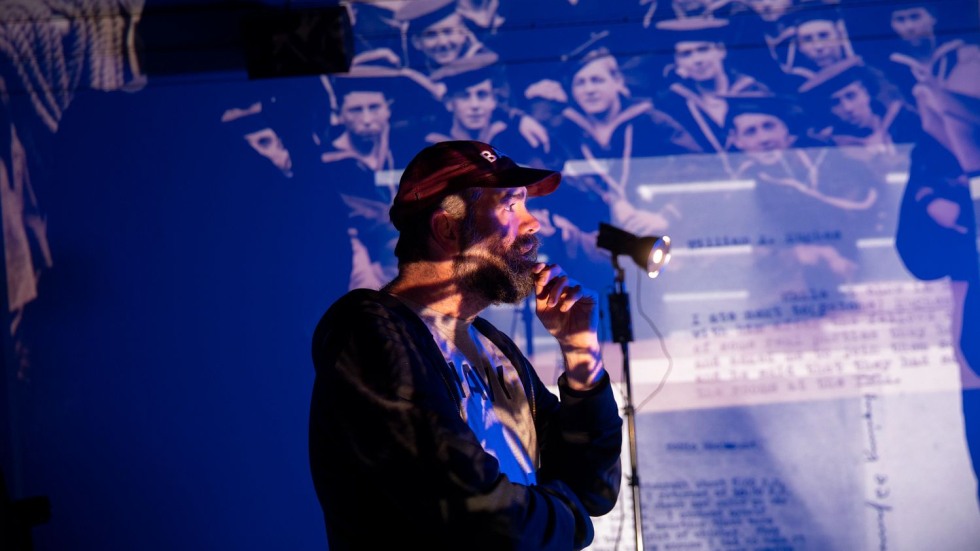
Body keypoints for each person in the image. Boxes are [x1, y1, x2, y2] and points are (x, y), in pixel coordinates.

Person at [308, 140, 623, 550]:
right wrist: (574, 521)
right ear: (447, 229)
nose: (533, 224)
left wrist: (582, 359)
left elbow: (594, 488)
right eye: (511, 206)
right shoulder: (368, 329)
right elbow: (475, 511)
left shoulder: (491, 344)